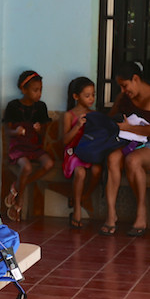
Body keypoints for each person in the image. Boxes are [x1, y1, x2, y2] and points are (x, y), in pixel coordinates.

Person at [100, 61, 150, 237]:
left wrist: (129, 128)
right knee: (112, 158)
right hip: (127, 144)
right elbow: (112, 121)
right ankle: (111, 214)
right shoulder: (123, 98)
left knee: (133, 161)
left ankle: (142, 212)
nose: (124, 91)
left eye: (125, 86)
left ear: (136, 79)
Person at [1, 71, 55, 222]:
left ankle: (17, 187)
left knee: (49, 163)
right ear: (23, 89)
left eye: (40, 90)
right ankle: (19, 201)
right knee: (27, 167)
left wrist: (40, 129)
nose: (39, 93)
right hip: (18, 146)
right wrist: (16, 131)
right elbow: (7, 130)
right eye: (35, 90)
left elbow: (45, 131)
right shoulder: (13, 106)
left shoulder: (41, 107)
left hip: (34, 146)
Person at [61, 76, 102, 229]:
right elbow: (65, 140)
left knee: (97, 170)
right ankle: (77, 207)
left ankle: (85, 196)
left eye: (93, 94)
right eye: (87, 95)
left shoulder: (93, 114)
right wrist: (77, 125)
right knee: (81, 172)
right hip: (73, 153)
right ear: (76, 97)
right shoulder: (69, 115)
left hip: (89, 152)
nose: (91, 98)